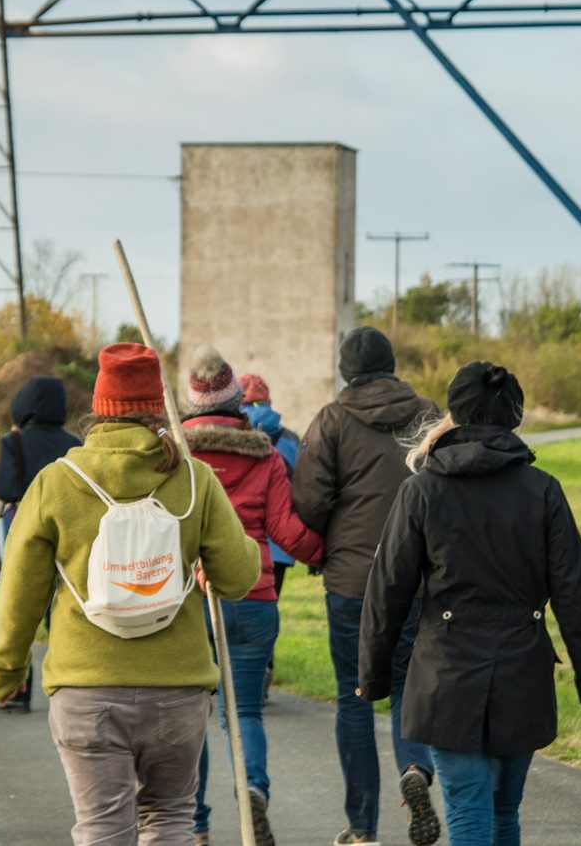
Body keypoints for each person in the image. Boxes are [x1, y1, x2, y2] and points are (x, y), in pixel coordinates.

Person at [0, 343, 261, 846]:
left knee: (102, 828)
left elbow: (20, 590)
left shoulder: (56, 482)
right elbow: (237, 578)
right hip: (177, 688)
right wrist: (224, 544)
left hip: (85, 688)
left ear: (98, 408)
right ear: (159, 406)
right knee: (171, 818)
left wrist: (7, 670)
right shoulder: (193, 479)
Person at [361, 362, 581, 846]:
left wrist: (371, 677)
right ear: (514, 417)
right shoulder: (542, 490)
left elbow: (387, 588)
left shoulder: (421, 490)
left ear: (453, 413)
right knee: (502, 813)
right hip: (522, 674)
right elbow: (575, 592)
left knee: (468, 813)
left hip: (446, 676)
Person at [291, 326, 443, 846]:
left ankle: (361, 827)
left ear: (345, 371)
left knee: (353, 697)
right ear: (392, 364)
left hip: (352, 580)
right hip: (416, 576)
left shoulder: (331, 420)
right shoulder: (427, 414)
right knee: (406, 685)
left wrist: (332, 537)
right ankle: (415, 769)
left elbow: (309, 500)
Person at [179, 346, 323, 846]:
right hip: (253, 593)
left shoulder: (176, 454)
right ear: (235, 401)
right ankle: (254, 791)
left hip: (190, 598)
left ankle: (194, 822)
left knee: (191, 715)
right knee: (243, 713)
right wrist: (326, 554)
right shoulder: (265, 454)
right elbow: (285, 529)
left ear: (191, 402)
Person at [0, 373, 83, 712]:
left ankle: (18, 690)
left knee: (21, 610)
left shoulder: (13, 442)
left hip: (25, 532)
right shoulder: (75, 443)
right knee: (63, 608)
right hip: (70, 531)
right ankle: (69, 681)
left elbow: (4, 489)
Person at [238, 372, 300, 595]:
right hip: (278, 545)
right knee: (267, 609)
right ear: (267, 400)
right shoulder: (291, 439)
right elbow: (303, 490)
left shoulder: (226, 434)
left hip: (238, 541)